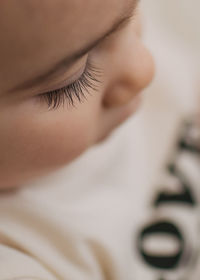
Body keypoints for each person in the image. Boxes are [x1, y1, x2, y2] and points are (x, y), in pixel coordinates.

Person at [0, 0, 199, 279]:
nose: (144, 66)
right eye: (71, 82)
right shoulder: (23, 256)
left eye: (132, 13)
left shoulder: (96, 24)